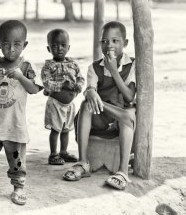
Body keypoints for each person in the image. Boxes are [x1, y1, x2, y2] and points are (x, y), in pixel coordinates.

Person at [0, 20, 42, 205]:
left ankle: (18, 187)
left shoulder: (27, 66)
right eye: (6, 44)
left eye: (17, 44)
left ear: (24, 45)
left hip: (15, 125)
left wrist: (20, 76)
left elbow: (34, 89)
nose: (11, 49)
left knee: (16, 159)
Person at [62, 21, 136, 190]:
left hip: (122, 117)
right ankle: (83, 163)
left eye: (115, 41)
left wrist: (115, 71)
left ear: (125, 44)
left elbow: (130, 96)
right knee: (86, 105)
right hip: (101, 115)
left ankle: (122, 172)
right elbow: (90, 90)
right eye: (104, 41)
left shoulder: (133, 65)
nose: (109, 45)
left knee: (128, 114)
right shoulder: (94, 68)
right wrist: (90, 92)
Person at [41, 29, 85, 165]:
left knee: (66, 130)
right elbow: (47, 84)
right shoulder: (48, 66)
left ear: (68, 47)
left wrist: (78, 86)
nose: (59, 48)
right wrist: (62, 85)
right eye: (54, 46)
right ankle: (53, 154)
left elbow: (80, 78)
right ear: (49, 48)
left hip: (70, 105)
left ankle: (63, 152)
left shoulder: (73, 64)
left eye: (62, 45)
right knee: (56, 129)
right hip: (56, 103)